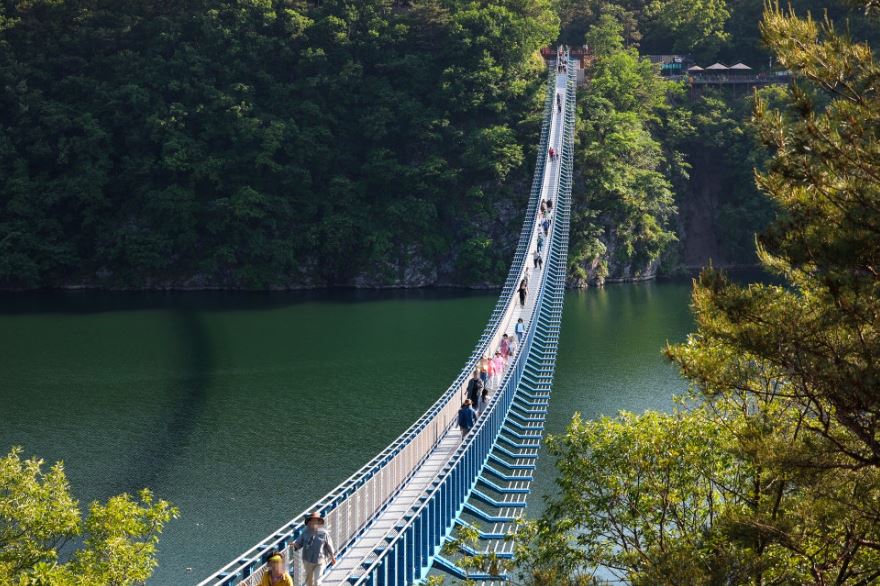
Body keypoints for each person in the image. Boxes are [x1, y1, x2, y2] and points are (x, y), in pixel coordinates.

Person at [293, 513, 336, 586]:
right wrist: (295, 545)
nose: (313, 523)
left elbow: (329, 546)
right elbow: (299, 543)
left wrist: (332, 557)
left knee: (317, 581)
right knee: (309, 582)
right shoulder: (305, 533)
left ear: (319, 522)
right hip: (307, 560)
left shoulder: (324, 533)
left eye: (316, 521)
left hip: (320, 560)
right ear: (309, 522)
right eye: (312, 521)